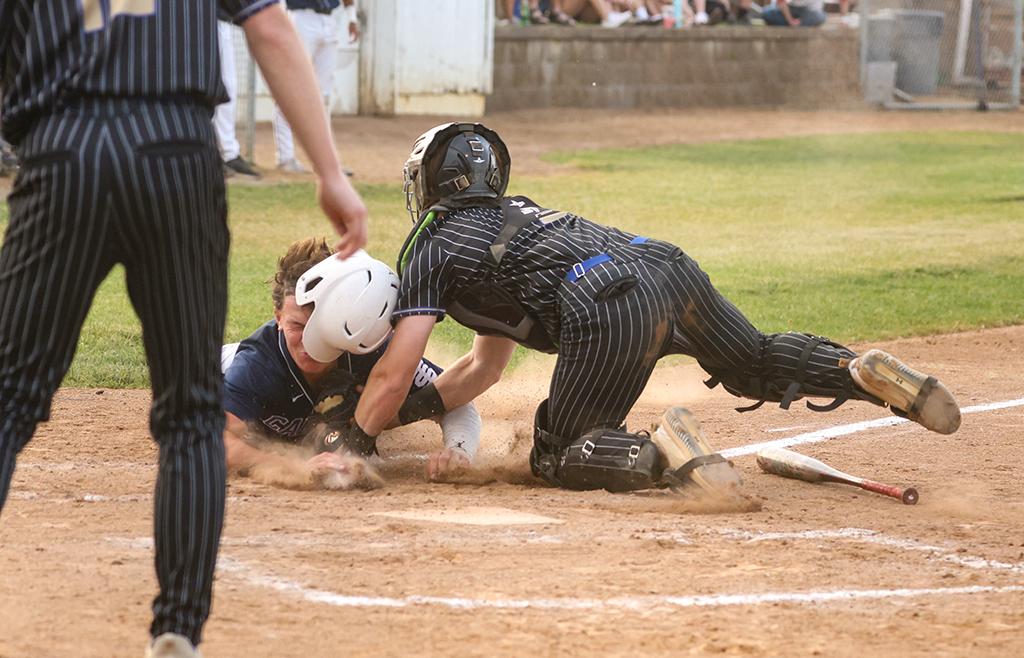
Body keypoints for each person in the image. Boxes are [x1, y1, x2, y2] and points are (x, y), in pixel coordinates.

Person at [0, 2, 368, 658]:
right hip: (176, 151)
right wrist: (329, 173)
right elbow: (270, 26)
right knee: (191, 415)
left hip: (61, 149)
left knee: (10, 397)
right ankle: (177, 629)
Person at [346, 122, 961, 495]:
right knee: (753, 361)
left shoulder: (432, 244)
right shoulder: (519, 218)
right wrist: (410, 418)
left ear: (428, 184)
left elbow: (397, 369)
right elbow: (481, 371)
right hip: (662, 263)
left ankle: (668, 451)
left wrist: (356, 435)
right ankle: (855, 371)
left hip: (606, 298)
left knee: (556, 454)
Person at [221, 238, 480, 484]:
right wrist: (292, 464)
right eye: (297, 326)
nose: (308, 341)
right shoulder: (256, 364)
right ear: (278, 318)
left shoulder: (366, 345)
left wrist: (458, 450)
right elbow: (216, 440)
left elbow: (455, 401)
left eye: (319, 327)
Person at [273, 0, 360, 173]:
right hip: (302, 17)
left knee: (324, 95)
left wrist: (352, 17)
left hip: (329, 19)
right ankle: (286, 156)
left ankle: (327, 163)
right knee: (292, 87)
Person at [215, 18, 262, 178]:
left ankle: (229, 154)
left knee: (228, 86)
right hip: (192, 20)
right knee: (201, 87)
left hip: (221, 21)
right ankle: (213, 155)